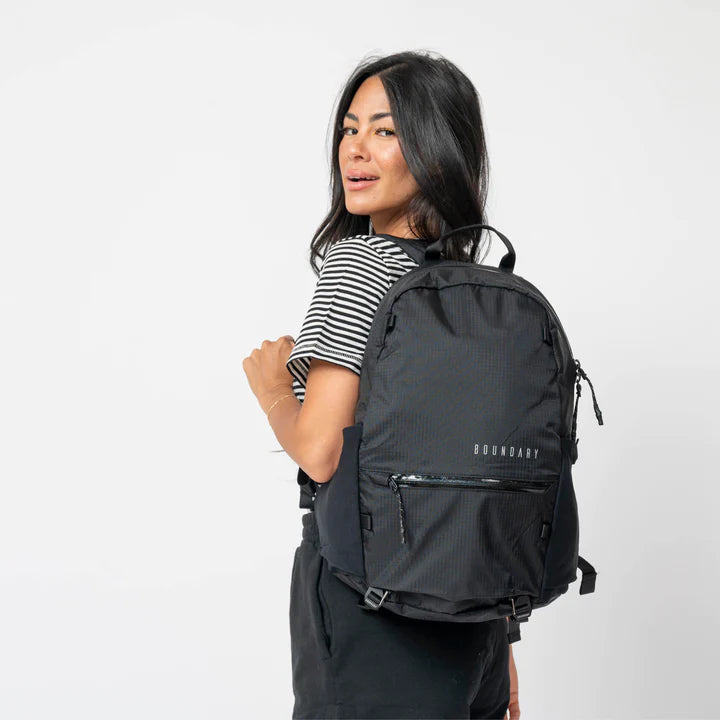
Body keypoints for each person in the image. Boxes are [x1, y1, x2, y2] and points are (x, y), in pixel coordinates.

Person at [243, 50, 521, 720]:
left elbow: (321, 452)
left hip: (374, 609)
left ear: (437, 150)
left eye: (386, 130)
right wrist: (502, 650)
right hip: (476, 621)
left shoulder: (360, 263)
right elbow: (483, 483)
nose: (355, 149)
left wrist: (275, 389)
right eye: (349, 128)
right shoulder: (479, 290)